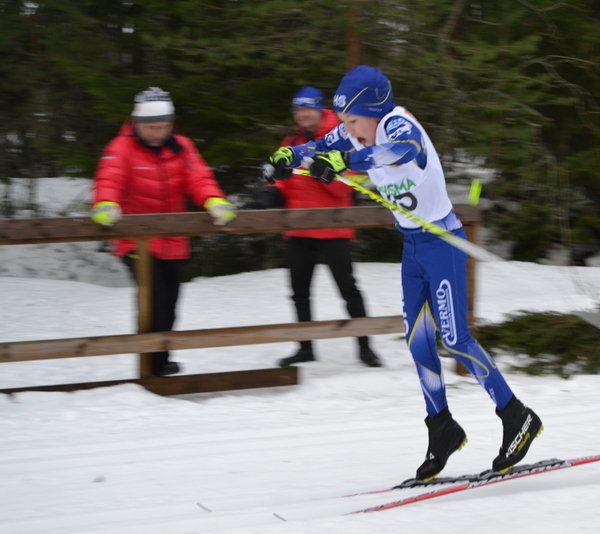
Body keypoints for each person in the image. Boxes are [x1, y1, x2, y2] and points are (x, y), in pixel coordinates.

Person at [263, 66, 543, 480]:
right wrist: (290, 157)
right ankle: (442, 427)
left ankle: (517, 415)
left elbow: (400, 151)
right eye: (344, 123)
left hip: (442, 243)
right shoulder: (355, 132)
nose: (348, 131)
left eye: (353, 122)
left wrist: (345, 160)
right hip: (413, 246)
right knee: (419, 341)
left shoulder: (397, 124)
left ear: (373, 111)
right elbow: (320, 145)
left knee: (456, 338)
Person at [91, 87, 237, 377]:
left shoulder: (181, 146)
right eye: (152, 127)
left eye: (164, 127)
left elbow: (198, 177)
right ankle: (150, 365)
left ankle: (161, 359)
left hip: (174, 241)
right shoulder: (121, 147)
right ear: (138, 123)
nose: (158, 133)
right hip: (137, 241)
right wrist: (105, 203)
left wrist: (214, 200)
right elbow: (109, 179)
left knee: (169, 305)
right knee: (153, 300)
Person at [254, 86, 381, 369]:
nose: (302, 115)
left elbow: (347, 189)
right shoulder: (291, 141)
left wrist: (323, 173)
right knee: (299, 293)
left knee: (348, 289)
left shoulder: (341, 138)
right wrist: (269, 194)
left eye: (307, 109)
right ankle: (305, 348)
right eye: (298, 110)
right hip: (299, 229)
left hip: (333, 228)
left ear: (319, 109)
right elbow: (283, 181)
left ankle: (365, 348)